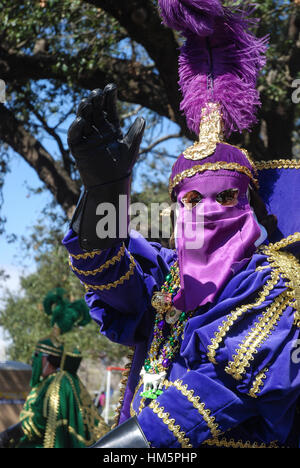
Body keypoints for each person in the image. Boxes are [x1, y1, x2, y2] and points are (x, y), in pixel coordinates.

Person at [62, 0, 300, 448]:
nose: (207, 211)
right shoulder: (165, 278)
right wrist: (103, 194)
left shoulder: (273, 287)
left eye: (226, 197)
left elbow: (225, 389)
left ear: (248, 204)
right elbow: (110, 274)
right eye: (190, 200)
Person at [0, 291, 109, 448]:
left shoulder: (59, 383)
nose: (34, 360)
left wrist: (11, 433)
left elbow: (39, 421)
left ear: (47, 359)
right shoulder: (45, 383)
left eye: (37, 355)